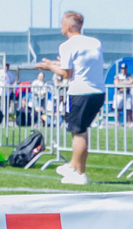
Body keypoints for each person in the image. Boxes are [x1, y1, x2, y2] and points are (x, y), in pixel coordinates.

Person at [34, 11, 106, 185]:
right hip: (98, 91)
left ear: (67, 26)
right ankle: (73, 166)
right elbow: (81, 65)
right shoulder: (94, 42)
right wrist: (54, 64)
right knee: (83, 131)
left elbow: (66, 74)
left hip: (80, 92)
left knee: (78, 134)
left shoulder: (67, 45)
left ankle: (80, 173)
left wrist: (49, 67)